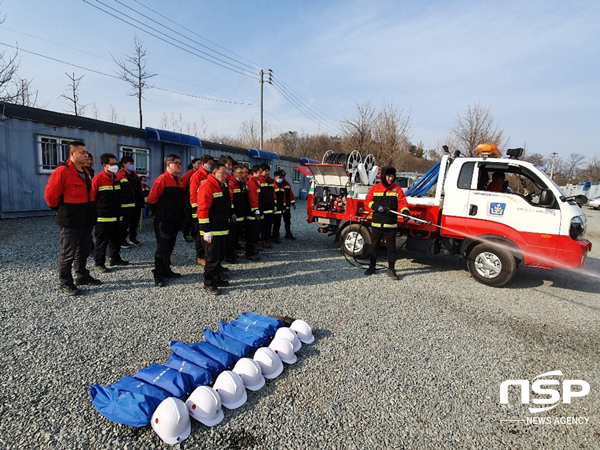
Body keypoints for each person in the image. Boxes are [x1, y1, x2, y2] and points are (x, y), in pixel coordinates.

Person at [44, 140, 100, 295]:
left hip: (86, 217)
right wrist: (60, 209)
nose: (86, 154)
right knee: (68, 252)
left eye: (86, 152)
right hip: (70, 218)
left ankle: (81, 275)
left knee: (84, 248)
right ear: (72, 153)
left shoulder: (86, 171)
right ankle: (65, 282)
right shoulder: (62, 171)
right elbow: (50, 196)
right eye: (82, 152)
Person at [364, 166, 409, 280]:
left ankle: (391, 269)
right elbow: (367, 201)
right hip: (377, 224)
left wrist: (405, 213)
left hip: (391, 225)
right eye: (388, 176)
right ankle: (372, 267)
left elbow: (402, 204)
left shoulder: (397, 190)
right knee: (374, 247)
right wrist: (376, 207)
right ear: (383, 176)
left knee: (391, 248)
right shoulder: (375, 189)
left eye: (392, 176)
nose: (390, 178)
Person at [147, 154, 185, 287]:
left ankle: (166, 269)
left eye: (180, 163)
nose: (179, 165)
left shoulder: (179, 181)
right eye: (176, 163)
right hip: (163, 220)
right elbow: (152, 199)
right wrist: (157, 213)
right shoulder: (161, 180)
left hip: (174, 219)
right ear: (168, 165)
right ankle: (158, 274)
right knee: (162, 247)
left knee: (170, 246)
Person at [197, 163, 231, 295]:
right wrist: (205, 230)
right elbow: (203, 209)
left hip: (221, 228)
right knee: (211, 258)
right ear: (214, 172)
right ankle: (209, 282)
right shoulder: (207, 186)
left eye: (226, 173)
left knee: (219, 256)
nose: (225, 175)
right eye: (222, 173)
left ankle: (217, 278)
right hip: (212, 231)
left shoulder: (221, 186)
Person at [91, 153, 129, 272]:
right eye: (111, 164)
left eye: (115, 164)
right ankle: (99, 263)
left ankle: (115, 258)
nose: (115, 166)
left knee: (116, 240)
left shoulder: (117, 179)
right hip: (103, 218)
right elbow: (91, 198)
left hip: (117, 216)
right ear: (104, 165)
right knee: (102, 242)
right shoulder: (98, 179)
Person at [189, 155, 214, 266]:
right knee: (199, 235)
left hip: (208, 210)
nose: (210, 165)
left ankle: (208, 255)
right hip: (199, 210)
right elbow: (193, 193)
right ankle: (200, 256)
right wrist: (195, 209)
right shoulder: (197, 176)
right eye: (209, 163)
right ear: (203, 163)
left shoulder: (209, 175)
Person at [118, 156, 144, 247]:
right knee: (124, 223)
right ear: (124, 164)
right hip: (126, 204)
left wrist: (141, 202)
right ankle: (122, 240)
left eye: (133, 164)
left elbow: (139, 189)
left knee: (134, 222)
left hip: (136, 203)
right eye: (130, 164)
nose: (132, 165)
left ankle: (133, 238)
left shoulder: (134, 175)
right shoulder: (120, 175)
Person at [226, 164, 248, 263]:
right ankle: (229, 255)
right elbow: (230, 199)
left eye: (243, 173)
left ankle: (234, 250)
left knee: (237, 234)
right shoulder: (231, 183)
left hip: (240, 212)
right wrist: (232, 212)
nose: (242, 174)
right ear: (234, 172)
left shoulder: (240, 182)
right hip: (235, 213)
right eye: (240, 172)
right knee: (232, 235)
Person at [181, 158, 202, 242]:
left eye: (201, 163)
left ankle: (194, 233)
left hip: (198, 199)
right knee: (188, 217)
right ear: (193, 164)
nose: (199, 165)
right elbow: (183, 187)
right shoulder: (189, 175)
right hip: (189, 198)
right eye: (198, 163)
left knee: (196, 218)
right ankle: (185, 234)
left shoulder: (201, 174)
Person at [244, 165, 262, 260]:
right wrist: (255, 209)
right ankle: (249, 253)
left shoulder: (256, 182)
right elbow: (253, 197)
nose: (261, 174)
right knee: (251, 232)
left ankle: (252, 249)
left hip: (254, 210)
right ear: (254, 173)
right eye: (259, 172)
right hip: (251, 212)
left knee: (255, 232)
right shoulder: (252, 183)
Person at [258, 163, 275, 248]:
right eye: (265, 171)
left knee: (268, 225)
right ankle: (259, 241)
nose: (267, 172)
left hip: (269, 207)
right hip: (262, 207)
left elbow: (273, 194)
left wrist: (274, 204)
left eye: (268, 171)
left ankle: (266, 240)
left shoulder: (270, 180)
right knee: (261, 225)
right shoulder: (258, 181)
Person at [271, 170, 287, 244]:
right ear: (275, 177)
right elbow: (272, 196)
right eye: (279, 176)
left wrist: (283, 206)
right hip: (273, 208)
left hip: (279, 208)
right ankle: (269, 237)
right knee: (270, 223)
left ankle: (275, 236)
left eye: (282, 177)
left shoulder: (282, 185)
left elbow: (283, 197)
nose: (280, 178)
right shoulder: (272, 184)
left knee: (277, 223)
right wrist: (274, 205)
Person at [280, 170, 296, 240]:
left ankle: (288, 233)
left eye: (283, 176)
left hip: (286, 206)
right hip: (278, 206)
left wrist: (293, 203)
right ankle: (274, 234)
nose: (282, 178)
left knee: (287, 220)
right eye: (281, 176)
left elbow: (290, 194)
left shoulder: (287, 184)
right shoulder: (274, 183)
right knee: (276, 221)